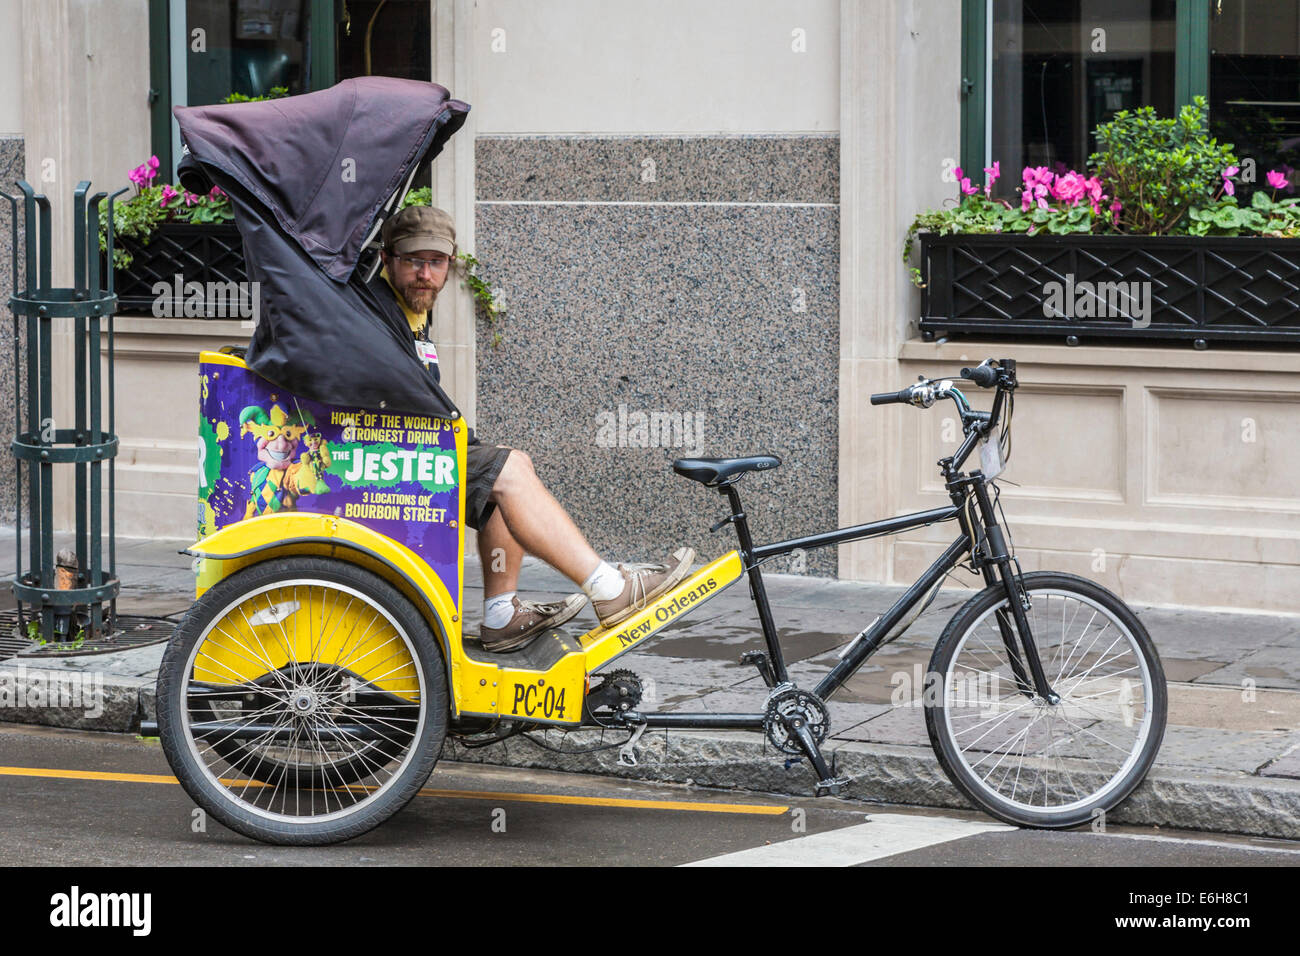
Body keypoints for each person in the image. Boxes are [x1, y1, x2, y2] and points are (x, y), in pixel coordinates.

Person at [369, 204, 694, 653]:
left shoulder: (411, 312)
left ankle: (502, 615)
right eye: (412, 261)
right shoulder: (376, 310)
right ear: (386, 259)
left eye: (437, 262)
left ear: (450, 263)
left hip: (405, 446)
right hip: (375, 457)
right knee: (506, 471)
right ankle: (609, 589)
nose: (425, 274)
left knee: (509, 464)